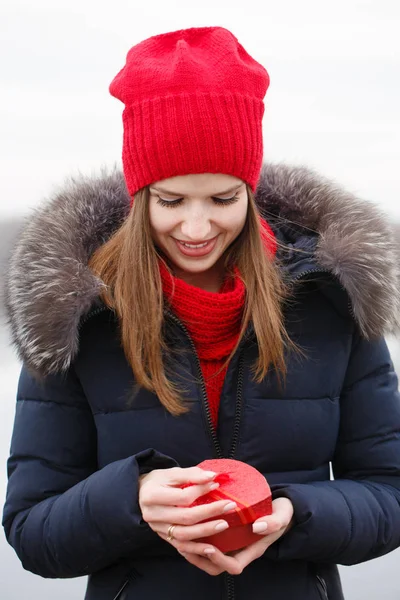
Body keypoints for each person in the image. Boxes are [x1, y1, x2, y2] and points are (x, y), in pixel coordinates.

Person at [2, 26, 400, 600]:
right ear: (140, 197)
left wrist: (293, 514)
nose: (194, 228)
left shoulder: (333, 298)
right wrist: (132, 499)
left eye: (221, 199)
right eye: (170, 201)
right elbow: (32, 532)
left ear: (250, 188)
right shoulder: (73, 313)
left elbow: (388, 494)